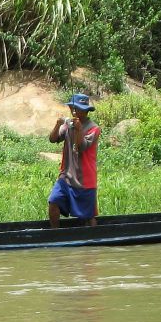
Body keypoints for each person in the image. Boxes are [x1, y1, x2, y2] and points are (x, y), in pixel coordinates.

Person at [48, 92, 101, 228]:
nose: (74, 111)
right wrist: (57, 124)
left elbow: (81, 147)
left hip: (85, 180)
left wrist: (78, 130)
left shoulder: (94, 128)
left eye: (78, 109)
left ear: (86, 111)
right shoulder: (67, 125)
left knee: (89, 218)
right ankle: (56, 236)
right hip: (66, 176)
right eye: (73, 108)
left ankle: (94, 243)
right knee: (53, 201)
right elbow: (53, 139)